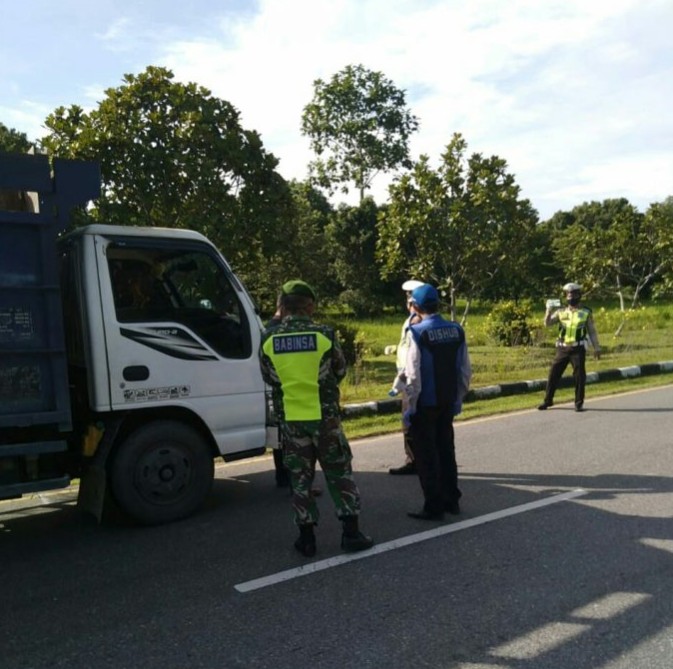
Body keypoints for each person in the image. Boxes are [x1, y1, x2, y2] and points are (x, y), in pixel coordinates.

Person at [259, 279, 374, 557]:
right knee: (339, 473)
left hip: (292, 421)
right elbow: (340, 370)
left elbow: (268, 377)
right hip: (325, 419)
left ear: (283, 307)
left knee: (300, 479)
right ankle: (351, 534)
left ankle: (307, 539)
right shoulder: (324, 334)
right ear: (309, 306)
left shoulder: (268, 338)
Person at [403, 284, 471, 521]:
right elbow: (465, 370)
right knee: (446, 450)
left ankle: (433, 506)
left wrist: (410, 407)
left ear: (417, 307)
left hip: (425, 402)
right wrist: (458, 398)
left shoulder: (418, 333)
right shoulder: (456, 330)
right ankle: (452, 500)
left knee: (426, 455)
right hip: (447, 400)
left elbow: (412, 376)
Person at [538, 282, 601, 412]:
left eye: (573, 294)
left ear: (579, 295)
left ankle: (579, 403)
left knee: (579, 376)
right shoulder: (561, 311)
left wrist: (597, 347)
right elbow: (547, 323)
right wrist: (548, 311)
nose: (571, 297)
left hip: (577, 349)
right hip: (562, 348)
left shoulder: (585, 312)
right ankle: (548, 400)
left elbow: (592, 331)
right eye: (568, 294)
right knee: (553, 374)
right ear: (565, 296)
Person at [388, 279, 424, 475]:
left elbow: (413, 356)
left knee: (409, 423)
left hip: (410, 380)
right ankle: (418, 459)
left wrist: (400, 381)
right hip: (409, 377)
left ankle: (415, 461)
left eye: (409, 299)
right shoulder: (411, 320)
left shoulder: (416, 322)